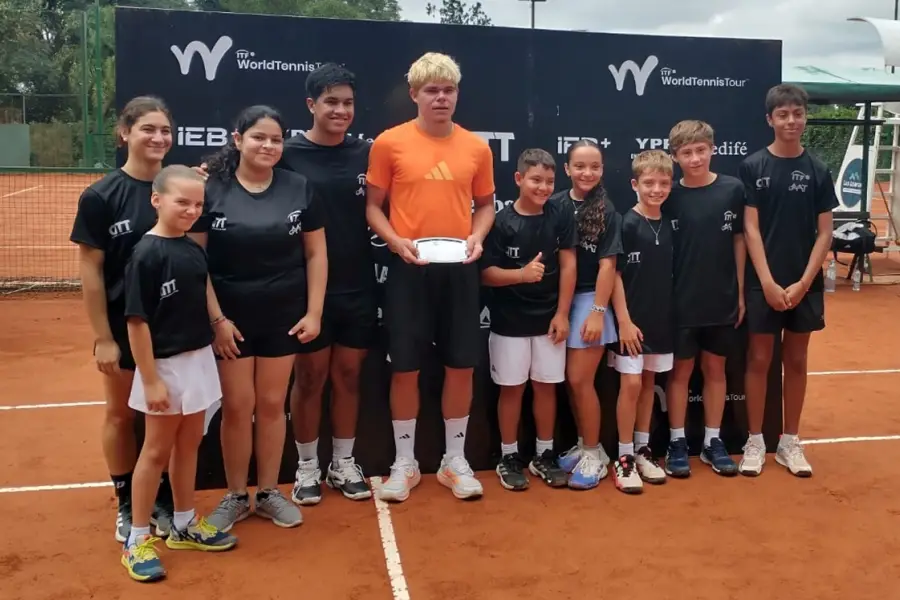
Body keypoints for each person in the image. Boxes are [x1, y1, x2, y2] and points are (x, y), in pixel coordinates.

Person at [189, 105, 327, 531]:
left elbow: (316, 253)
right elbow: (196, 260)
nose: (268, 146)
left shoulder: (298, 186)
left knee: (271, 405)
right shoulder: (210, 189)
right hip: (230, 319)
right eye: (258, 138)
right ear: (238, 140)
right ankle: (235, 494)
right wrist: (217, 320)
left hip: (283, 316)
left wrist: (314, 311)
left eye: (276, 139)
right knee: (237, 406)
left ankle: (268, 492)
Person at [365, 52, 495, 502]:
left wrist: (477, 238)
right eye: (432, 91)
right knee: (405, 366)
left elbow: (487, 206)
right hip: (408, 269)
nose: (441, 98)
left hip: (459, 269)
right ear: (415, 95)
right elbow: (373, 208)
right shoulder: (388, 143)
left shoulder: (477, 147)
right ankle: (405, 463)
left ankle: (452, 462)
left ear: (457, 95)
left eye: (449, 90)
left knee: (461, 365)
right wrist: (397, 242)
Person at [121, 165, 237, 583]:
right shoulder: (145, 254)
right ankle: (136, 539)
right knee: (155, 451)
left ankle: (185, 524)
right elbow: (137, 323)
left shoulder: (192, 248)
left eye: (198, 204)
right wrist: (150, 379)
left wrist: (219, 321)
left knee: (190, 445)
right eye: (182, 202)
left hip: (199, 360)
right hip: (164, 367)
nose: (191, 210)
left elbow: (203, 284)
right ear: (157, 200)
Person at [69, 96, 176, 543]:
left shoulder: (179, 186)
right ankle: (127, 499)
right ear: (125, 133)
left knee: (168, 414)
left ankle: (162, 496)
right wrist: (103, 338)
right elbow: (91, 271)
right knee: (119, 414)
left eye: (165, 131)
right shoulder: (100, 196)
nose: (158, 138)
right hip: (122, 326)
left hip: (173, 328)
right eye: (148, 128)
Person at [279, 64, 374, 505]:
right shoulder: (287, 152)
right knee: (311, 377)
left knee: (350, 376)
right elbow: (238, 171)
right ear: (311, 104)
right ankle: (306, 467)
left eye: (348, 102)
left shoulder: (366, 154)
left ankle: (342, 462)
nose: (340, 110)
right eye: (331, 101)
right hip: (305, 290)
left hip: (359, 285)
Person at [738, 84, 837, 478]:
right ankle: (755, 441)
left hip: (804, 286)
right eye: (783, 114)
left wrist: (802, 283)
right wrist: (767, 283)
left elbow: (825, 233)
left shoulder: (818, 170)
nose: (791, 120)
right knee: (760, 360)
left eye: (797, 113)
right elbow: (750, 228)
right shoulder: (752, 166)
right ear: (770, 120)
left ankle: (789, 441)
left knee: (796, 360)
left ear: (805, 117)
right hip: (764, 285)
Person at [481, 148, 575, 491]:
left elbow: (568, 265)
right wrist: (520, 275)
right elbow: (486, 274)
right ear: (519, 179)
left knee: (546, 388)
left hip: (549, 320)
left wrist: (563, 313)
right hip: (509, 323)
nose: (544, 187)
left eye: (550, 181)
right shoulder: (501, 222)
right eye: (536, 179)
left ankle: (544, 454)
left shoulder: (561, 214)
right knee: (512, 390)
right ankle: (508, 456)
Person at [662, 120, 745, 478]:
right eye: (686, 152)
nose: (694, 158)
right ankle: (677, 441)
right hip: (680, 303)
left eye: (700, 150)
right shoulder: (669, 195)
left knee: (715, 371)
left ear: (713, 149)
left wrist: (741, 291)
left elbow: (740, 240)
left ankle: (713, 441)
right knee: (680, 373)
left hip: (722, 300)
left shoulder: (733, 189)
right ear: (675, 156)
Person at [550, 140, 621, 490]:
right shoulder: (556, 204)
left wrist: (597, 312)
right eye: (580, 166)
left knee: (580, 381)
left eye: (594, 166)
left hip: (592, 300)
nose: (587, 172)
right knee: (571, 382)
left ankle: (594, 453)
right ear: (567, 169)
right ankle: (585, 444)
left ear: (602, 169)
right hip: (563, 299)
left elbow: (609, 265)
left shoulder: (607, 209)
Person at [608, 150, 675, 495]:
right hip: (630, 323)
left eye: (664, 182)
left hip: (661, 321)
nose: (656, 189)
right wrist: (623, 321)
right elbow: (615, 276)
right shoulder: (626, 223)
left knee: (649, 383)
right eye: (649, 182)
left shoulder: (671, 223)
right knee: (631, 385)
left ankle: (642, 449)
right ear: (635, 184)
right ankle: (622, 458)